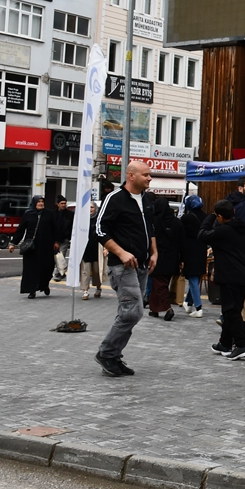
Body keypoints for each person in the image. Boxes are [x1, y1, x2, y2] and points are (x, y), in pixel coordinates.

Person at [94, 161, 157, 377]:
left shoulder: (147, 200)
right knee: (133, 311)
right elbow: (100, 230)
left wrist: (154, 252)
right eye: (146, 175)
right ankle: (106, 353)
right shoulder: (115, 198)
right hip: (122, 266)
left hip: (141, 264)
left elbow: (151, 228)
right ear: (131, 175)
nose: (149, 178)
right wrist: (120, 252)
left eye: (150, 175)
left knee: (129, 313)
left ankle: (112, 356)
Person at [200, 199, 245, 360]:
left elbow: (202, 234)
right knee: (233, 310)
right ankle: (225, 343)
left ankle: (241, 345)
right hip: (244, 277)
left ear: (219, 216)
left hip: (229, 276)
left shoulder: (224, 231)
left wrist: (210, 217)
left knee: (230, 311)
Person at [10, 195, 55, 299]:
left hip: (46, 246)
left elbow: (54, 228)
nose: (41, 203)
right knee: (31, 269)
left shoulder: (49, 214)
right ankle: (32, 290)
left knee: (47, 267)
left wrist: (56, 241)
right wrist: (13, 243)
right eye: (38, 201)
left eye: (42, 201)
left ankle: (44, 285)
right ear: (34, 203)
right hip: (31, 247)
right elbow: (21, 229)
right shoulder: (28, 214)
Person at [180, 195, 207, 318]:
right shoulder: (206, 217)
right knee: (195, 276)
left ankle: (199, 307)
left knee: (192, 277)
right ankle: (188, 302)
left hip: (189, 249)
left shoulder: (186, 218)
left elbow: (181, 235)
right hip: (202, 249)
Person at [79, 202, 101, 300]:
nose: (90, 209)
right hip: (85, 248)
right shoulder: (82, 220)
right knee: (85, 270)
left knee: (97, 270)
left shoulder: (99, 219)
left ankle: (98, 287)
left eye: (92, 207)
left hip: (96, 248)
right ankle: (85, 291)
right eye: (88, 207)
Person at [51, 195, 74, 282]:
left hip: (64, 238)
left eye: (65, 203)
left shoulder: (70, 214)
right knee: (55, 256)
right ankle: (61, 272)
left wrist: (69, 236)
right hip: (54, 239)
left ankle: (58, 273)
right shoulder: (53, 214)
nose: (64, 205)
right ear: (57, 204)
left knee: (61, 255)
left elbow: (71, 226)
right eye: (62, 203)